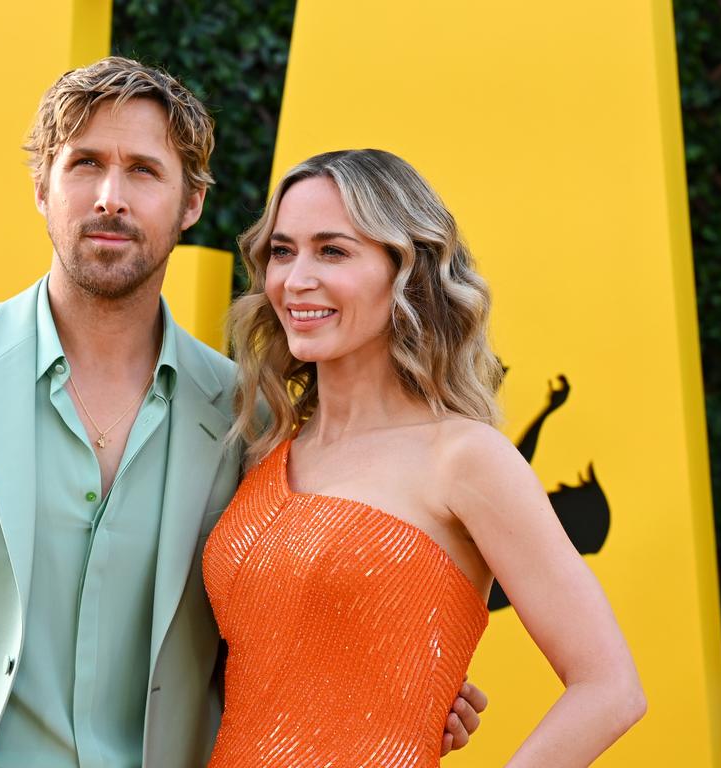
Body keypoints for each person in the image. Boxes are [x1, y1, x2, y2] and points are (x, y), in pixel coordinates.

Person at [0, 60, 484, 768]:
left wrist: (400, 680)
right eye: (84, 164)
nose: (110, 197)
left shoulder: (248, 414)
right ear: (42, 188)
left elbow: (277, 625)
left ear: (191, 202)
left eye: (144, 171)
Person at [204, 149, 646, 767]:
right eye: (282, 250)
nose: (295, 278)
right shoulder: (265, 449)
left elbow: (610, 688)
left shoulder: (464, 458)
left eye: (333, 251)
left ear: (405, 271)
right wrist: (393, 684)